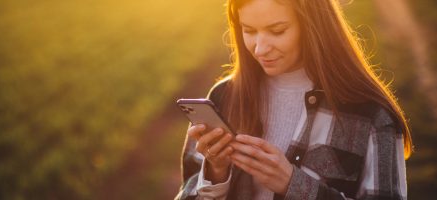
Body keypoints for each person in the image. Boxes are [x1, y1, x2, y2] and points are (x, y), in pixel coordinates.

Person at [175, 0, 413, 199]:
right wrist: (216, 172)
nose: (259, 48)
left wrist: (293, 184)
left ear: (314, 26)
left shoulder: (370, 114)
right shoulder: (223, 96)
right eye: (248, 30)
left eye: (277, 31)